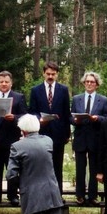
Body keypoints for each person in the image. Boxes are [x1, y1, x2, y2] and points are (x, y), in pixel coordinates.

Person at [0, 70, 28, 204]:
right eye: (1, 82)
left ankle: (13, 195)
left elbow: (25, 116)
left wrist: (14, 117)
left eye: (6, 82)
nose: (4, 84)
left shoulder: (19, 97)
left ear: (11, 83)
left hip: (11, 140)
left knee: (12, 170)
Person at [29, 62, 71, 194]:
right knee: (41, 166)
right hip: (41, 132)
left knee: (57, 166)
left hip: (58, 134)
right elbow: (32, 111)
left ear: (57, 74)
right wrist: (39, 119)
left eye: (53, 74)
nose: (50, 76)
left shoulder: (63, 90)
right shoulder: (35, 90)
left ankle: (58, 195)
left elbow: (66, 113)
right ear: (43, 73)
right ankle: (42, 195)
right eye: (48, 74)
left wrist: (67, 133)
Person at [70, 71, 107, 205]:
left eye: (92, 82)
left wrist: (97, 118)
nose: (89, 84)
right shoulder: (76, 99)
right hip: (81, 138)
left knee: (94, 168)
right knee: (80, 168)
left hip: (95, 138)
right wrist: (75, 120)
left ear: (97, 84)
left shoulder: (103, 100)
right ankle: (79, 195)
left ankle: (93, 196)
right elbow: (70, 116)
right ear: (83, 83)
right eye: (87, 81)